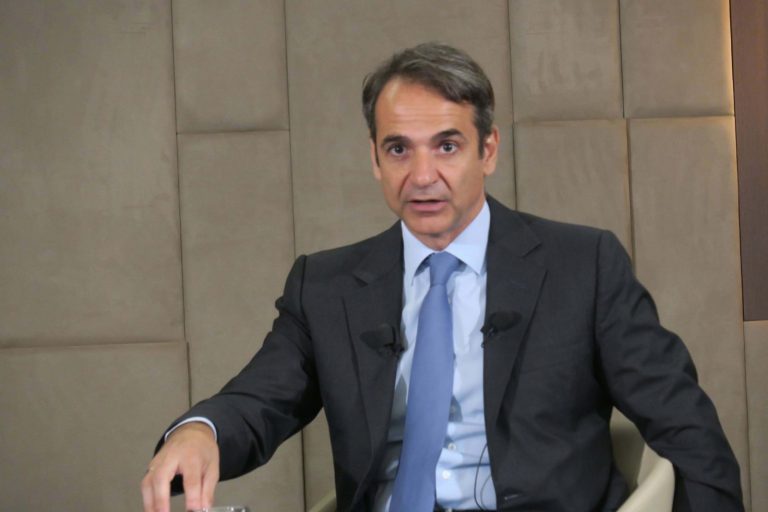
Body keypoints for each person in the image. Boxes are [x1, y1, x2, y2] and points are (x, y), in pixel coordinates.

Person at [141, 43, 743, 512]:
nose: (423, 175)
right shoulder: (324, 287)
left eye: (447, 146)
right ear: (374, 159)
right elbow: (259, 398)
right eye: (399, 149)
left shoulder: (582, 266)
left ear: (488, 150)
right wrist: (200, 432)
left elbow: (687, 427)